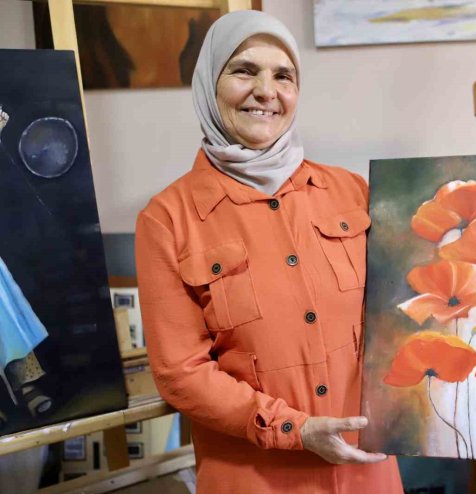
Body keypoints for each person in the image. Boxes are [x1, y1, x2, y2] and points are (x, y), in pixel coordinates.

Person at [135, 10, 403, 493]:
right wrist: (294, 429)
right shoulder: (167, 219)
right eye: (244, 71)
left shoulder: (354, 192)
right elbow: (180, 373)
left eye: (283, 76)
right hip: (253, 479)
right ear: (208, 84)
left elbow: (416, 300)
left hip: (367, 471)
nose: (266, 91)